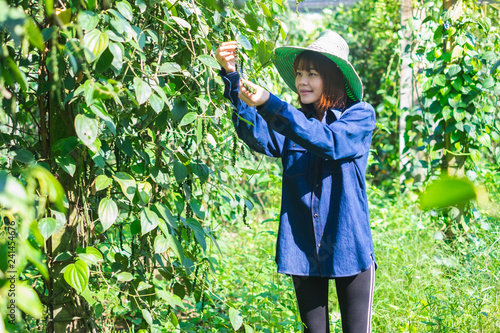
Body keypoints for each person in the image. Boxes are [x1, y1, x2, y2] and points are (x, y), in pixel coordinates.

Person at [216, 30, 377, 333]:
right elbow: (256, 135)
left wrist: (270, 103)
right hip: (304, 246)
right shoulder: (291, 122)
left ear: (332, 77)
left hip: (348, 244)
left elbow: (328, 142)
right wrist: (232, 77)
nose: (302, 81)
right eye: (300, 73)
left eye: (312, 74)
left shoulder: (359, 116)